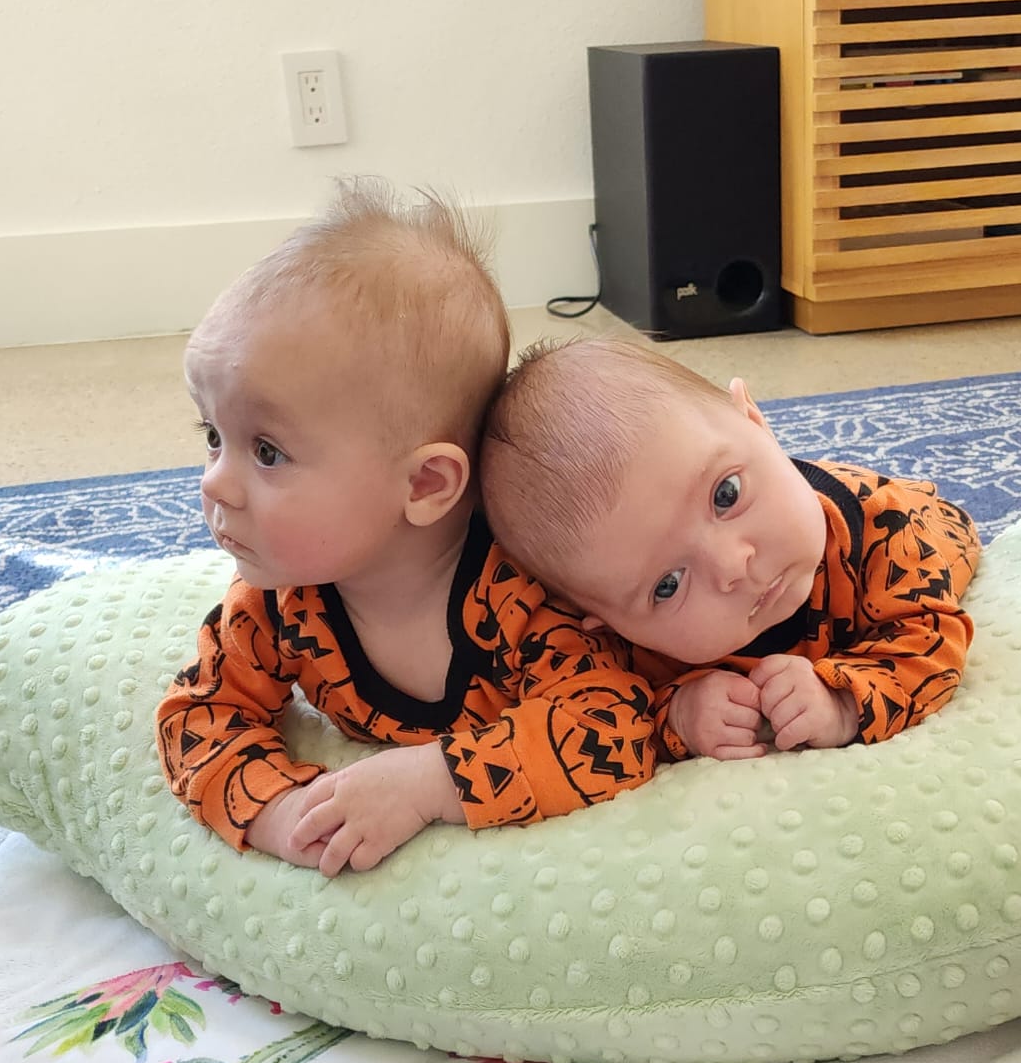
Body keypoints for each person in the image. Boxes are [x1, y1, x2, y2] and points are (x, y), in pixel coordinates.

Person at [156, 184, 656, 876]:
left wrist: (432, 781)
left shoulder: (520, 597)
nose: (215, 482)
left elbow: (612, 723)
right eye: (213, 435)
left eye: (267, 451)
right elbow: (199, 714)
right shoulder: (279, 604)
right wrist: (278, 813)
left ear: (425, 485)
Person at [477, 335, 981, 762]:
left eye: (726, 495)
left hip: (916, 521)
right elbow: (617, 714)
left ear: (755, 420)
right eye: (668, 585)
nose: (732, 567)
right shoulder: (635, 642)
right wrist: (679, 713)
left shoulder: (891, 534)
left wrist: (843, 702)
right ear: (608, 623)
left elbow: (931, 640)